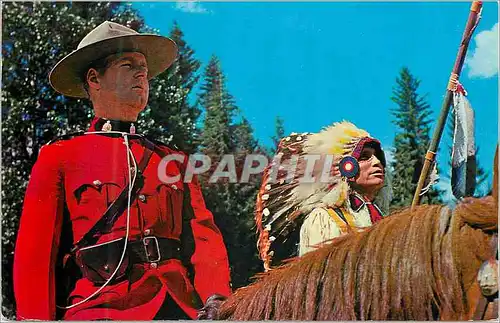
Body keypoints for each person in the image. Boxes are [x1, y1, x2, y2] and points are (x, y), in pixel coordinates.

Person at [13, 21, 231, 321]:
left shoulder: (172, 159)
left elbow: (205, 241)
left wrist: (217, 299)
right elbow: (35, 258)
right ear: (94, 79)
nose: (142, 73)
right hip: (98, 308)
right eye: (127, 65)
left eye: (143, 67)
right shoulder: (59, 156)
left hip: (177, 307)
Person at [255, 121, 391, 270]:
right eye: (365, 157)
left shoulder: (381, 218)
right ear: (345, 167)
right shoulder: (324, 220)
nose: (377, 162)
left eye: (379, 158)